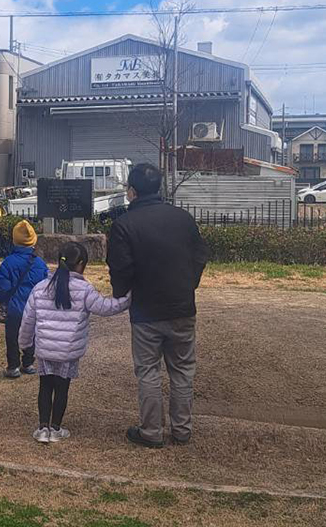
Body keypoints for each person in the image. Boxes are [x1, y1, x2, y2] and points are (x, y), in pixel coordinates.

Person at [107, 162, 209, 449]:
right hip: (182, 306)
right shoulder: (183, 218)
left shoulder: (124, 225)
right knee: (182, 370)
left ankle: (151, 431)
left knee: (148, 371)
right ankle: (182, 430)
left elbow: (121, 269)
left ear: (132, 191)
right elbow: (200, 254)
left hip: (146, 311)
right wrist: (189, 283)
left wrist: (120, 292)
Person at [20, 241, 130, 444]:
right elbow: (105, 307)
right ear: (80, 264)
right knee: (62, 388)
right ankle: (56, 428)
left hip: (45, 349)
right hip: (68, 351)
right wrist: (128, 299)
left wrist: (24, 343)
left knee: (45, 386)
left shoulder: (41, 287)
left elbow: (28, 319)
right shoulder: (84, 289)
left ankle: (42, 428)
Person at [0, 219, 50, 378]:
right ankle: (28, 363)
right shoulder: (40, 264)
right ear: (34, 241)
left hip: (14, 309)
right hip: (34, 308)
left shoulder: (8, 263)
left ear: (14, 240)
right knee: (31, 335)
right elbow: (46, 287)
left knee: (12, 337)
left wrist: (0, 297)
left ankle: (13, 366)